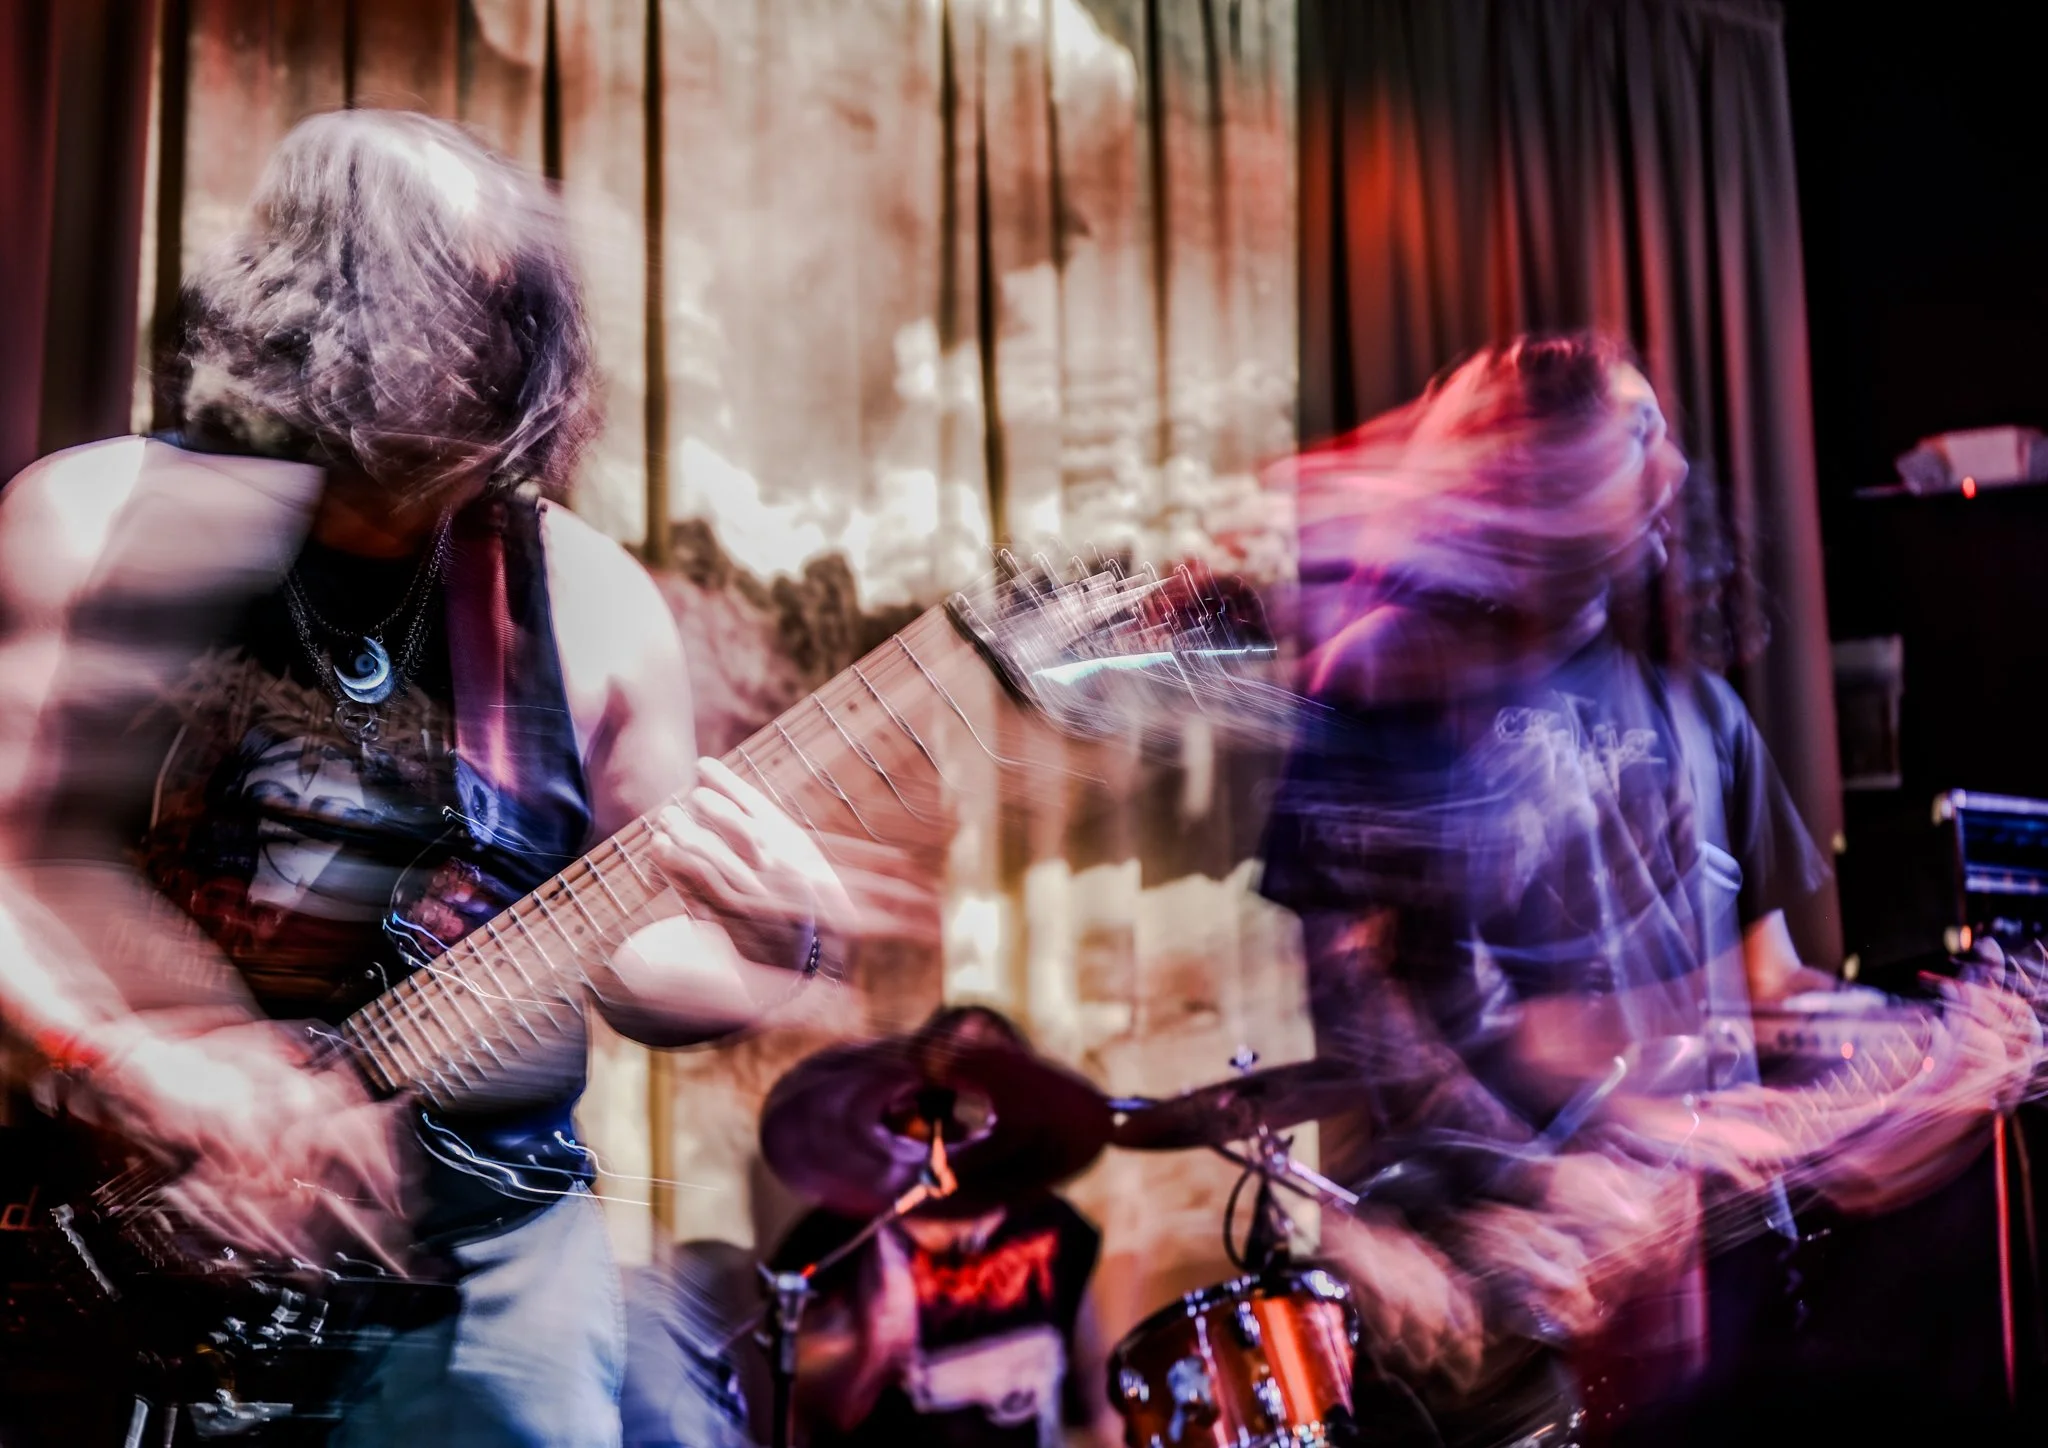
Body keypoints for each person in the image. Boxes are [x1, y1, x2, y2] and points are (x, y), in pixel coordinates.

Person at [0, 109, 852, 1446]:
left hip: (488, 1262)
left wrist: (777, 943)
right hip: (129, 1237)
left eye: (512, 317)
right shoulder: (102, 518)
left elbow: (633, 956)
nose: (479, 353)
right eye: (439, 304)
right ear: (309, 305)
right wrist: (140, 1056)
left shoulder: (589, 600)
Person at [1258, 333, 2040, 1444]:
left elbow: (1767, 991)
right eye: (1637, 434)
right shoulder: (1390, 676)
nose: (1672, 469)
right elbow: (1360, 1007)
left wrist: (1914, 1055)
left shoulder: (1703, 715)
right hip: (1485, 1312)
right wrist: (1545, 1175)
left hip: (1698, 1300)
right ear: (1536, 464)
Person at [766, 1006, 1122, 1448]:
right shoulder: (844, 1233)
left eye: (991, 1082)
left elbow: (1095, 1382)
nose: (968, 1106)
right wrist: (868, 1356)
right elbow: (796, 1413)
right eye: (950, 1091)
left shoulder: (1056, 1226)